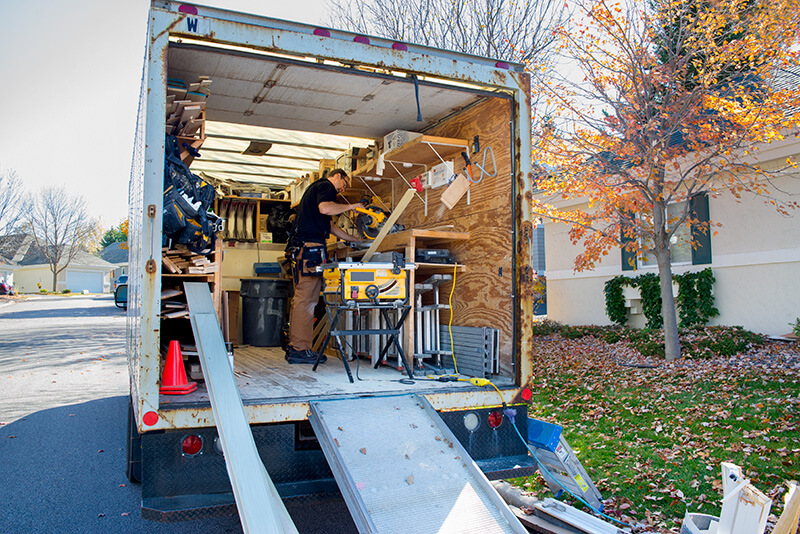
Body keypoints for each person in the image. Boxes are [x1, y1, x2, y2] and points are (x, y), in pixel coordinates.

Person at [285, 169, 363, 364]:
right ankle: (300, 350)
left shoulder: (315, 191)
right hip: (309, 249)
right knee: (307, 300)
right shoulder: (325, 186)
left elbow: (329, 226)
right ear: (338, 176)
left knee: (302, 299)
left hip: (303, 248)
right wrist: (351, 206)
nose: (343, 189)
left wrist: (353, 239)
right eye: (344, 184)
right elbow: (326, 209)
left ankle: (295, 347)